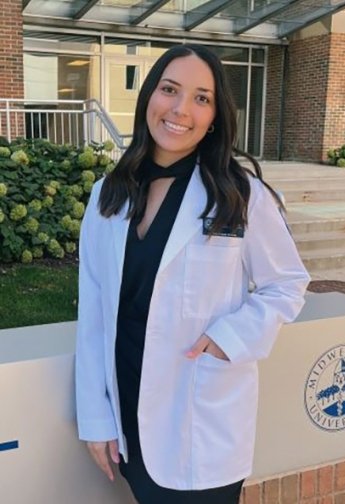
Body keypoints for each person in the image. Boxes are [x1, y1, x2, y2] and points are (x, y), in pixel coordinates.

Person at [75, 44, 310, 504]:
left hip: (199, 421)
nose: (181, 109)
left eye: (201, 98)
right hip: (126, 416)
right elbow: (94, 311)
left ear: (216, 115)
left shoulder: (240, 194)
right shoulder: (109, 194)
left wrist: (232, 337)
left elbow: (287, 282)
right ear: (149, 98)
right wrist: (96, 418)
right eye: (169, 90)